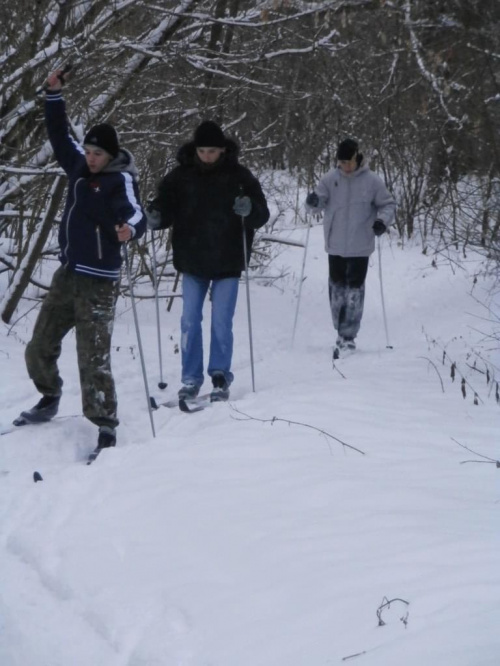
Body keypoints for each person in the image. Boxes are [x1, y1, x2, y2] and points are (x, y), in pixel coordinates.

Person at [16, 69, 146, 450]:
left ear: (111, 155)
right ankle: (50, 396)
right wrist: (53, 96)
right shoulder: (77, 166)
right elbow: (59, 136)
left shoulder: (119, 179)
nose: (91, 159)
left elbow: (136, 213)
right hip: (68, 274)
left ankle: (105, 425)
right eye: (88, 152)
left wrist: (130, 231)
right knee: (39, 346)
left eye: (98, 154)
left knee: (93, 359)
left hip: (99, 282)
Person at [148, 120, 269, 402]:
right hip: (192, 260)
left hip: (228, 259)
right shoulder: (180, 176)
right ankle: (190, 379)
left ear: (223, 150)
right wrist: (156, 215)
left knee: (221, 322)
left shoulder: (240, 177)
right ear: (195, 149)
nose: (207, 157)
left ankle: (219, 376)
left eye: (212, 151)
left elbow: (261, 214)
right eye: (202, 151)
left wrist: (250, 209)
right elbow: (165, 204)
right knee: (190, 320)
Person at [306, 138, 396, 356]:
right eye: (341, 162)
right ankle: (340, 330)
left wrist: (381, 222)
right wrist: (313, 201)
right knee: (336, 289)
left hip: (360, 244)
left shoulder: (372, 181)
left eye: (349, 162)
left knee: (354, 290)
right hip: (335, 244)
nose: (345, 166)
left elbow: (388, 204)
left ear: (358, 158)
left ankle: (348, 338)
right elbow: (317, 204)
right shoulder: (330, 179)